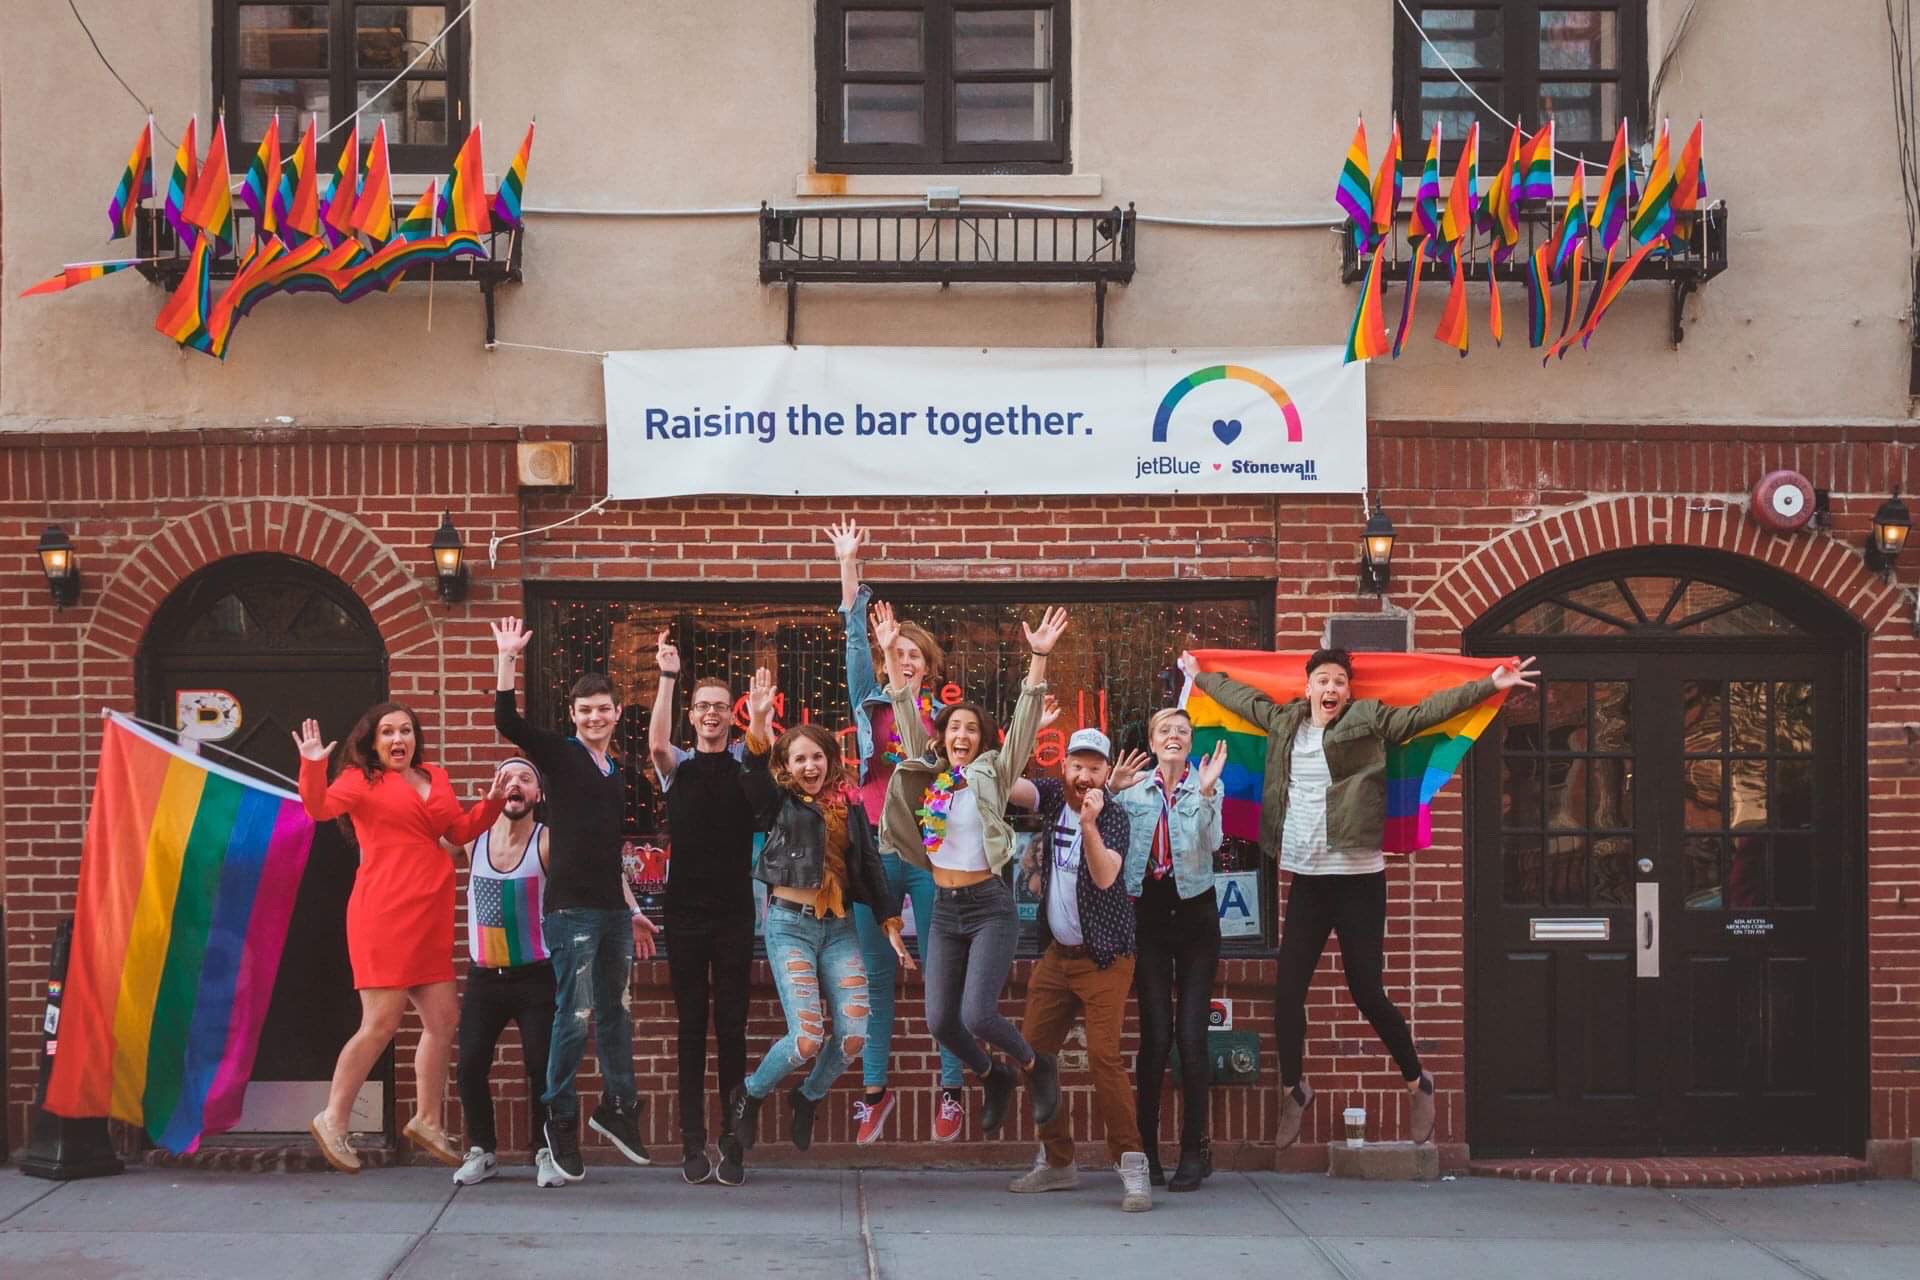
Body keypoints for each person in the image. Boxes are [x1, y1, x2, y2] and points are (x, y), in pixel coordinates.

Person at [1184, 647, 1537, 1148]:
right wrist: (1202, 676)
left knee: (1366, 991)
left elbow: (1427, 712)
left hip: (1358, 879)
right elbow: (1243, 700)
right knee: (1287, 993)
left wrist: (1491, 685)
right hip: (1307, 878)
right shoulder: (1284, 721)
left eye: (1340, 683)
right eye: (1323, 681)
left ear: (1349, 691)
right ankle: (1295, 1088)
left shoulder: (1369, 719)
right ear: (1307, 688)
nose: (1331, 690)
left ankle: (1418, 1081)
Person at [878, 602, 1068, 1139]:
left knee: (980, 1016)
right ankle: (993, 1076)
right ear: (942, 737)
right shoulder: (927, 772)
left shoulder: (994, 771)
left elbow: (1026, 722)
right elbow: (903, 706)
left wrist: (1037, 660)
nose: (961, 734)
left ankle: (1035, 1065)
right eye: (953, 727)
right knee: (941, 1021)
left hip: (989, 906)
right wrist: (893, 654)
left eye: (971, 729)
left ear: (984, 741)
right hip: (943, 909)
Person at [292, 704, 507, 1174]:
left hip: (429, 913)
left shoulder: (436, 775)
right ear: (372, 741)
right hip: (383, 913)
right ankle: (333, 1119)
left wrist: (489, 805)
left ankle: (428, 1119)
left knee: (444, 1019)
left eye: (405, 730)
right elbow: (318, 808)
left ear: (416, 737)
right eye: (387, 732)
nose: (398, 739)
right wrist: (312, 763)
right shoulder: (359, 779)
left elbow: (457, 830)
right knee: (381, 1024)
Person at [493, 617, 661, 1183]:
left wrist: (634, 908)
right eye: (584, 709)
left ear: (616, 713)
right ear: (574, 716)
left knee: (616, 1014)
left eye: (603, 709)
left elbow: (607, 851)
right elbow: (505, 720)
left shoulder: (616, 773)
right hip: (570, 913)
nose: (594, 716)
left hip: (613, 912)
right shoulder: (561, 755)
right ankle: (559, 1115)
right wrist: (507, 658)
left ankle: (616, 1108)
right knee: (577, 1014)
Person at [727, 667, 914, 1160]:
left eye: (817, 757)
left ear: (830, 761)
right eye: (799, 758)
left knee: (853, 1036)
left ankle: (806, 1096)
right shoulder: (778, 803)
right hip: (789, 925)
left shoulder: (850, 807)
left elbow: (870, 868)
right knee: (807, 1038)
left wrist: (889, 923)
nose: (809, 765)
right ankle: (750, 1093)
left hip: (839, 929)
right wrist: (761, 721)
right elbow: (753, 772)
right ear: (787, 766)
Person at [823, 519, 970, 1144]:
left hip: (931, 859)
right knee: (877, 977)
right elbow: (854, 638)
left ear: (927, 667)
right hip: (874, 858)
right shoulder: (867, 706)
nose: (903, 661)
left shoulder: (944, 722)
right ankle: (875, 1095)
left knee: (943, 974)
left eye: (914, 655)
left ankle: (952, 1090)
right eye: (896, 653)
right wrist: (849, 564)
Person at [1007, 728, 1152, 1212]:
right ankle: (1058, 1161)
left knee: (1104, 1059)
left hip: (1106, 957)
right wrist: (1024, 726)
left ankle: (1133, 1166)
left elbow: (1107, 875)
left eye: (1094, 767)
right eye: (1077, 765)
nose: (1084, 776)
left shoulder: (1114, 817)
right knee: (1034, 1054)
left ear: (1106, 773)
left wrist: (1089, 824)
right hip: (1058, 958)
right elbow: (1007, 783)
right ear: (1063, 767)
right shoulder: (1049, 797)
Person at [647, 631, 755, 1187]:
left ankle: (733, 1142)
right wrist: (668, 677)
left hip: (735, 913)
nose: (711, 714)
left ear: (730, 715)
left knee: (733, 1026)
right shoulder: (679, 765)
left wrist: (758, 717)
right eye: (703, 707)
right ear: (692, 715)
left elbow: (763, 761)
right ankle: (692, 1141)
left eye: (720, 706)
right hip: (684, 914)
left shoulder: (743, 762)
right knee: (691, 1025)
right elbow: (656, 743)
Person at [1111, 714, 1230, 1191]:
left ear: (1190, 742)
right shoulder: (1133, 791)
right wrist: (1112, 791)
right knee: (1156, 1036)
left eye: (1182, 731)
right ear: (1153, 742)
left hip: (1197, 920)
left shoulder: (1207, 786)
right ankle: (1145, 1152)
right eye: (1165, 731)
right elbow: (1103, 841)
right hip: (1150, 922)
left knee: (1192, 1037)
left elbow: (1214, 841)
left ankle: (1193, 1149)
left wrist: (1205, 795)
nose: (1174, 737)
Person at [451, 757, 564, 1188]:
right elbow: (419, 839)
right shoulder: (471, 840)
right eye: (507, 777)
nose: (516, 784)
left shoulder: (547, 841)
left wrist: (628, 911)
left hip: (536, 976)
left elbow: (595, 870)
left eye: (526, 778)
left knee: (540, 1064)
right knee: (471, 1064)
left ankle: (544, 1150)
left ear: (537, 796)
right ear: (495, 789)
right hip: (484, 978)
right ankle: (482, 1150)